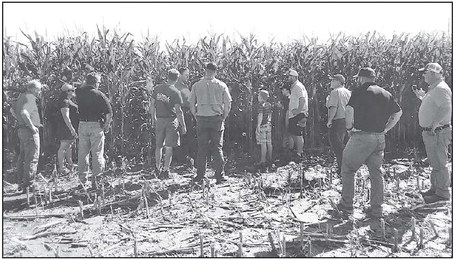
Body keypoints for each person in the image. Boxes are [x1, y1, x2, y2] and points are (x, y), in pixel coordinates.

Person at [335, 67, 402, 218]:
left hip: (362, 136)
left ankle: (347, 205)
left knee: (348, 169)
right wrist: (386, 129)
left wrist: (349, 128)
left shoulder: (359, 91)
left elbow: (349, 110)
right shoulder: (386, 93)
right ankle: (376, 209)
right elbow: (398, 113)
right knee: (376, 173)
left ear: (361, 78)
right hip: (379, 138)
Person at [413, 63, 452, 204]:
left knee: (440, 163)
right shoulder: (434, 89)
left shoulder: (441, 89)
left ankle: (442, 193)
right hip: (433, 132)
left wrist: (434, 124)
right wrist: (422, 98)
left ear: (434, 73)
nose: (423, 75)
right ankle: (435, 188)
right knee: (435, 162)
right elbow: (436, 106)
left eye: (425, 73)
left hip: (437, 132)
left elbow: (445, 108)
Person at [189, 62, 232, 184]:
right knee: (217, 148)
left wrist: (195, 115)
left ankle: (200, 176)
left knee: (202, 149)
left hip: (202, 118)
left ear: (205, 70)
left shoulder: (197, 85)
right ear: (215, 72)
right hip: (216, 119)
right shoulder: (221, 85)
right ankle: (219, 176)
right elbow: (228, 104)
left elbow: (191, 104)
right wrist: (223, 116)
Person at [76, 72, 112, 190]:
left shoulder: (79, 92)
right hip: (96, 125)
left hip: (82, 124)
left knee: (83, 153)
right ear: (96, 83)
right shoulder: (99, 94)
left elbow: (78, 86)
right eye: (98, 82)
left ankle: (82, 180)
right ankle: (97, 180)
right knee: (97, 153)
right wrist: (106, 125)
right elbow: (108, 113)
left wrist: (85, 82)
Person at [150, 69, 187, 179]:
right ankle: (166, 170)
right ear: (177, 78)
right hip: (171, 120)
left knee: (158, 145)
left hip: (159, 119)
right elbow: (178, 110)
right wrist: (183, 125)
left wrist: (153, 118)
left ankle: (157, 168)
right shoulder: (175, 92)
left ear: (167, 77)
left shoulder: (157, 89)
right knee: (169, 146)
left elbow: (152, 104)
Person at [10, 80, 43, 193]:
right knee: (32, 157)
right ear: (33, 89)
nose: (39, 92)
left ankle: (21, 182)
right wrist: (32, 126)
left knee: (23, 156)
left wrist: (20, 120)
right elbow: (24, 113)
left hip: (21, 129)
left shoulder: (21, 97)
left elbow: (12, 110)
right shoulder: (30, 97)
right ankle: (29, 184)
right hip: (29, 131)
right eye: (39, 89)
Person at [325, 74, 351, 174]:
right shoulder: (348, 92)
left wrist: (329, 120)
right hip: (348, 121)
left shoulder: (335, 92)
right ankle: (348, 168)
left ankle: (341, 169)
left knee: (338, 146)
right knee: (346, 145)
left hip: (338, 121)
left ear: (337, 82)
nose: (331, 82)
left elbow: (333, 107)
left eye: (332, 80)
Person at [174, 67, 196, 167]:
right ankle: (182, 159)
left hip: (186, 112)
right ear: (180, 75)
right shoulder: (178, 87)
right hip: (182, 112)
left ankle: (185, 158)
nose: (188, 77)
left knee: (186, 135)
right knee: (184, 135)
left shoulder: (184, 86)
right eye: (186, 75)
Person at [56, 83, 79, 174]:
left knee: (69, 146)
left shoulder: (69, 101)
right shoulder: (64, 102)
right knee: (63, 146)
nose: (73, 92)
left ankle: (70, 164)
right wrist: (72, 129)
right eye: (72, 90)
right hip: (65, 127)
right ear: (67, 92)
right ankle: (61, 168)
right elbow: (66, 117)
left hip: (69, 126)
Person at [286, 69, 308, 160]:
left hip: (299, 114)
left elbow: (302, 99)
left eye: (289, 76)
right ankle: (298, 152)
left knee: (298, 134)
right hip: (294, 114)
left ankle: (300, 153)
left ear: (294, 77)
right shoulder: (294, 87)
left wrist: (299, 111)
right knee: (293, 133)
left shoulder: (298, 86)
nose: (287, 78)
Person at [256, 89, 273, 166]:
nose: (258, 96)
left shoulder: (260, 105)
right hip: (268, 125)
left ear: (262, 97)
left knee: (263, 143)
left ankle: (263, 160)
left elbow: (260, 115)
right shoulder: (269, 104)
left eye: (259, 95)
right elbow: (269, 114)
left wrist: (258, 126)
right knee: (269, 142)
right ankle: (270, 158)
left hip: (263, 126)